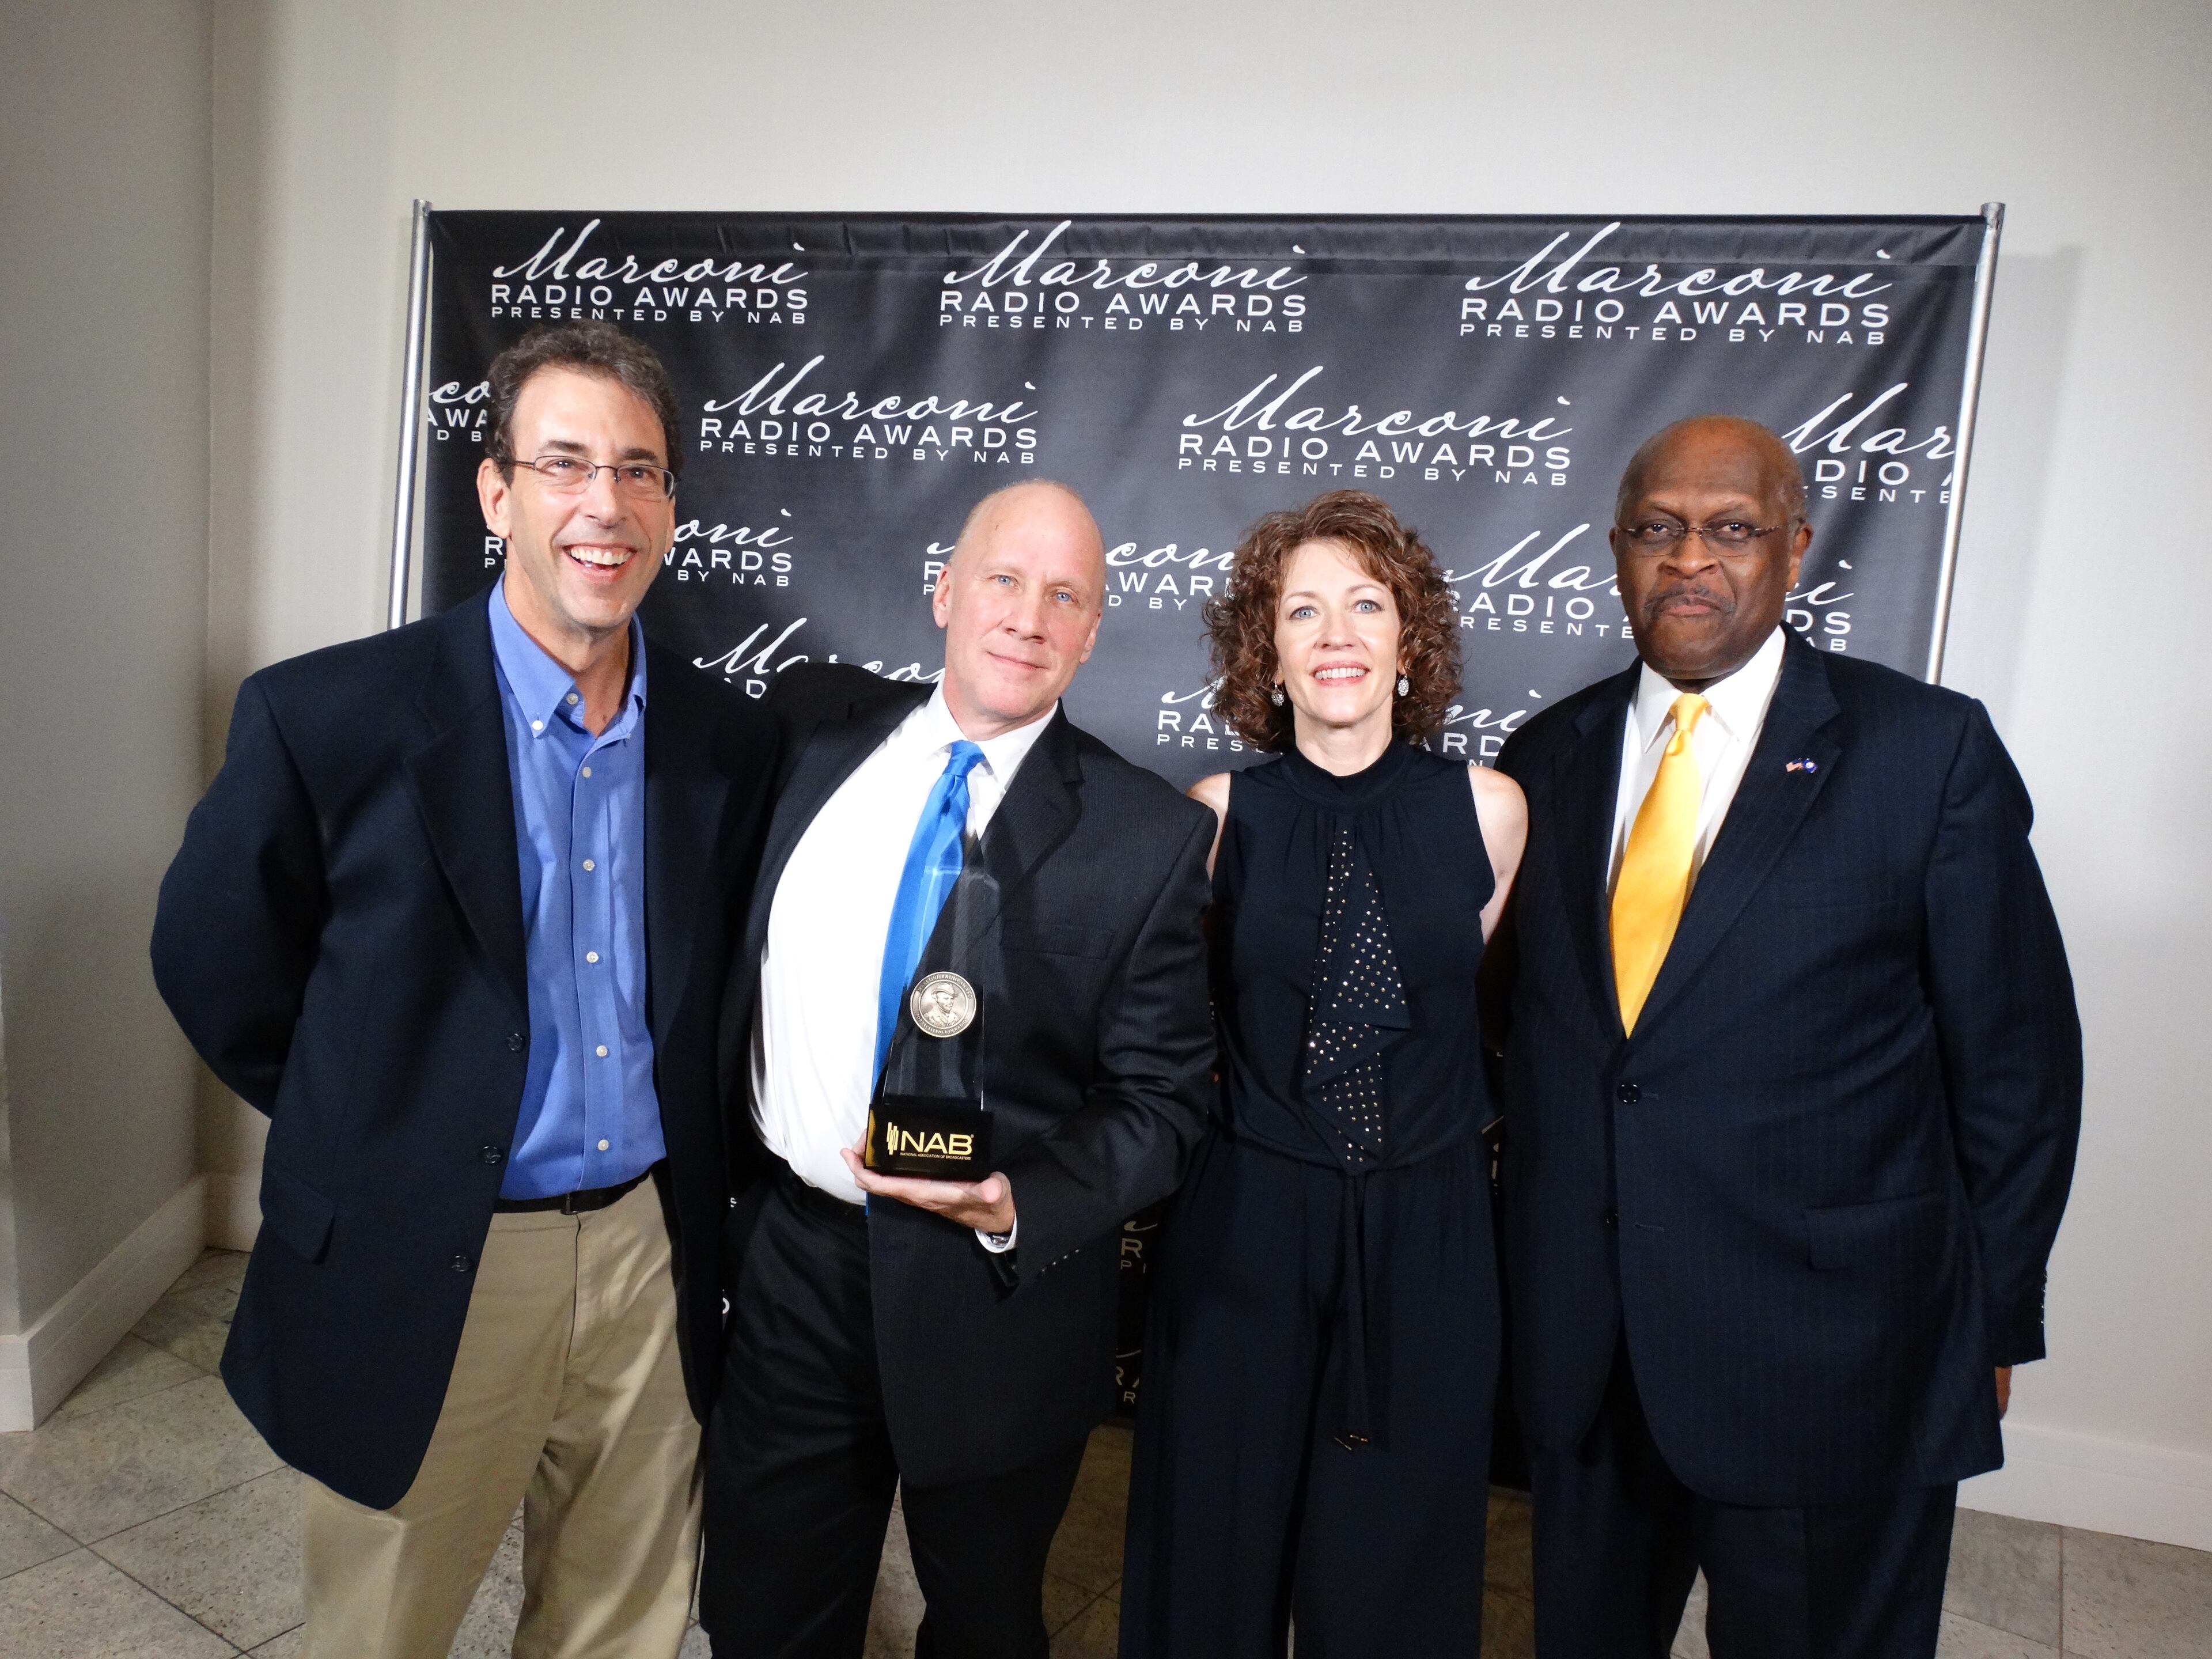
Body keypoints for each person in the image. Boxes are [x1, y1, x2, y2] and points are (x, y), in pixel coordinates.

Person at [150, 321, 778, 1659]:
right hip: (438, 1247)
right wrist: (380, 1112)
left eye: (639, 470)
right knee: (384, 1626)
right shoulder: (328, 718)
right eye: (563, 464)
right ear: (496, 493)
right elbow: (215, 967)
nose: (603, 504)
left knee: (623, 1622)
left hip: (650, 1258)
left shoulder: (728, 737)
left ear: (671, 504)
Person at [1491, 415, 2081, 1658]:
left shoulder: (1926, 752)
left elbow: (2018, 1070)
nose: (1688, 559)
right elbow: (1528, 1049)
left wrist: (1996, 1316)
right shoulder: (1545, 758)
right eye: (1657, 529)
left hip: (1839, 1361)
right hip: (1591, 1361)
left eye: (1731, 530)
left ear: (1795, 549)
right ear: (1614, 550)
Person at [700, 479, 1216, 1659]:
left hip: (997, 1297)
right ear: (944, 589)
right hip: (794, 1268)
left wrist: (1017, 1204)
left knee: (985, 1627)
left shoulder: (1148, 836)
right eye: (1003, 578)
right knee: (763, 1614)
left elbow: (1167, 1103)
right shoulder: (804, 734)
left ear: (1091, 633)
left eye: (1065, 595)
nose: (1028, 616)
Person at [1118, 490, 1528, 1658]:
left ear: (1409, 642)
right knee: (1211, 1556)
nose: (1337, 631)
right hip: (1249, 1224)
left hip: (1430, 1237)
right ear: (1273, 653)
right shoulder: (1213, 817)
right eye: (1304, 611)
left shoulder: (1492, 813)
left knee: (1397, 1571)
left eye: (1366, 603)